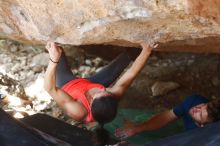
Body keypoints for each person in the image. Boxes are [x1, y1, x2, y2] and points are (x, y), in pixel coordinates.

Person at [44, 42, 157, 127]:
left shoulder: (78, 111)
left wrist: (53, 60)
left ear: (91, 102)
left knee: (57, 49)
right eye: (105, 91)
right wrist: (147, 50)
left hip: (67, 84)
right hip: (89, 83)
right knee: (127, 57)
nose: (100, 90)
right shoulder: (113, 94)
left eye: (97, 93)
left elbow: (50, 89)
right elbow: (131, 73)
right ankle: (133, 51)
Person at [115, 94, 220, 139]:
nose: (195, 109)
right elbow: (167, 116)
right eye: (202, 106)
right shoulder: (195, 101)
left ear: (203, 126)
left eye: (200, 114)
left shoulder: (202, 135)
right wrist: (138, 128)